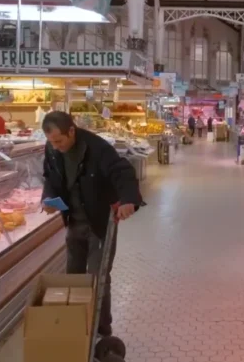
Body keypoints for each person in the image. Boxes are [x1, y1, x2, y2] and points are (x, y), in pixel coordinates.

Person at [41, 111, 143, 337]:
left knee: (99, 277)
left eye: (59, 141)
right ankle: (77, 324)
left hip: (99, 221)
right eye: (52, 142)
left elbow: (122, 171)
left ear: (71, 131)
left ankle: (102, 330)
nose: (56, 147)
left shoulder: (98, 148)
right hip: (73, 221)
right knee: (74, 276)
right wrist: (48, 198)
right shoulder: (52, 149)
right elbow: (50, 177)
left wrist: (128, 199)